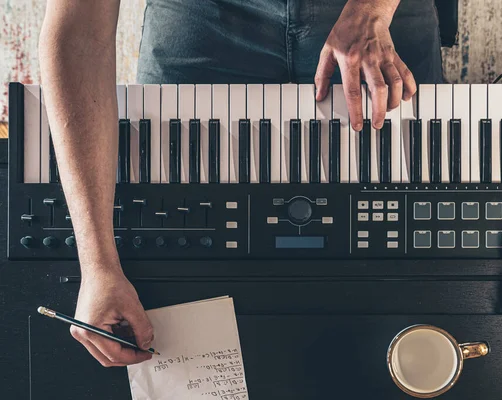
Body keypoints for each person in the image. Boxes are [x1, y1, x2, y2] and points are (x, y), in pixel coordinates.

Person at [38, 0, 443, 367]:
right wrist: (97, 266)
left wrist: (372, 11)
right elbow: (78, 31)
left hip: (373, 11)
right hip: (200, 15)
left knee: (411, 271)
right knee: (170, 255)